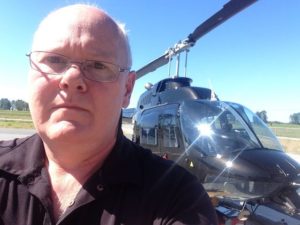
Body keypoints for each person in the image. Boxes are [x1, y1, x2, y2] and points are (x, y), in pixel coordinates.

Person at [0, 4, 217, 225]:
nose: (72, 78)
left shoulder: (177, 197)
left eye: (98, 65)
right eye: (54, 60)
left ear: (127, 90)